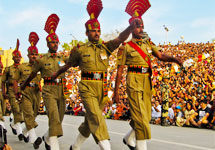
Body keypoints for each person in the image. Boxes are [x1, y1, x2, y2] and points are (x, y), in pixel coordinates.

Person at [51, 0, 142, 149]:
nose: (97, 33)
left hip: (102, 88)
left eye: (98, 30)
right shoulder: (79, 50)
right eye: (93, 31)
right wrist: (55, 75)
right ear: (86, 32)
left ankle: (75, 147)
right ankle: (106, 146)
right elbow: (68, 65)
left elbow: (120, 38)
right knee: (96, 116)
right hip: (87, 86)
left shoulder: (105, 47)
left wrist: (130, 27)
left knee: (90, 120)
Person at [114, 0, 183, 149]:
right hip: (134, 80)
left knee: (145, 116)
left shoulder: (148, 43)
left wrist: (174, 59)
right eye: (137, 26)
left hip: (147, 80)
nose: (141, 28)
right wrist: (116, 92)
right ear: (131, 28)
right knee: (141, 118)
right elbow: (120, 71)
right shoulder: (125, 47)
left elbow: (160, 55)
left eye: (142, 26)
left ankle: (128, 138)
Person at [21, 14, 68, 150]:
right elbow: (33, 73)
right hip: (48, 89)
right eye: (53, 42)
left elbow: (73, 63)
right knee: (53, 118)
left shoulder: (63, 57)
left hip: (62, 89)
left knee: (59, 120)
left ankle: (47, 138)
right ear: (47, 44)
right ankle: (54, 147)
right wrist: (23, 85)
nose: (55, 44)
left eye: (57, 42)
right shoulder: (41, 59)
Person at [13, 32, 42, 149]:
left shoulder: (40, 66)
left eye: (36, 54)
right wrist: (16, 93)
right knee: (29, 114)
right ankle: (34, 140)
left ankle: (25, 132)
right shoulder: (22, 67)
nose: (34, 56)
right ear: (28, 55)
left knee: (34, 115)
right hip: (25, 92)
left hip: (36, 92)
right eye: (32, 54)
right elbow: (15, 80)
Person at [2, 39, 24, 141]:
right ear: (13, 58)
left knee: (21, 110)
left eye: (19, 57)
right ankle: (20, 132)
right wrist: (3, 92)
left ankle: (13, 124)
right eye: (16, 57)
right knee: (16, 109)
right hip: (11, 90)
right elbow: (3, 81)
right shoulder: (8, 69)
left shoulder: (24, 68)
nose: (18, 58)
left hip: (22, 89)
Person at [0, 57, 6, 128]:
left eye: (1, 67)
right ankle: (1, 124)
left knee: (3, 109)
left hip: (3, 93)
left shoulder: (4, 76)